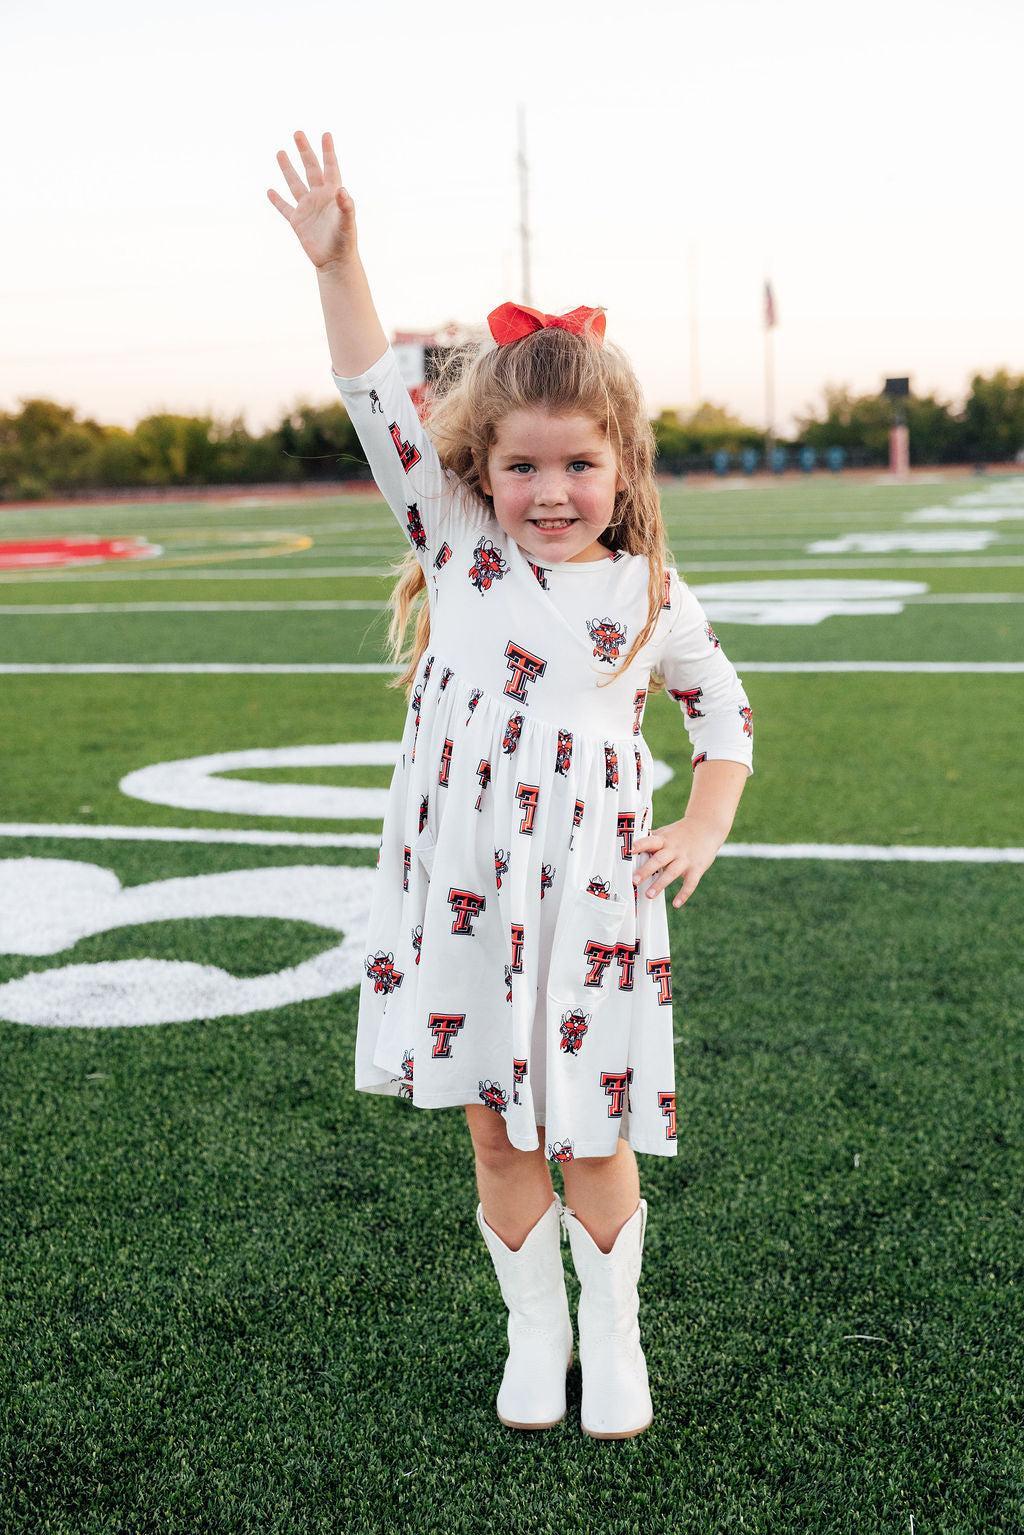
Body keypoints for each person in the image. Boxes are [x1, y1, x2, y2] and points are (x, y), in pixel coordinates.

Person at [268, 129, 755, 1441]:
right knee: (494, 1127)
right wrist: (343, 261)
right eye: (523, 465)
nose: (550, 490)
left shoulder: (652, 594)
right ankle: (533, 1334)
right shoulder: (460, 547)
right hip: (469, 886)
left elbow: (723, 710)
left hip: (595, 890)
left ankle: (616, 1333)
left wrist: (704, 820)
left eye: (578, 465)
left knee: (592, 1132)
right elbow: (374, 387)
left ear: (623, 471)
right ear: (479, 469)